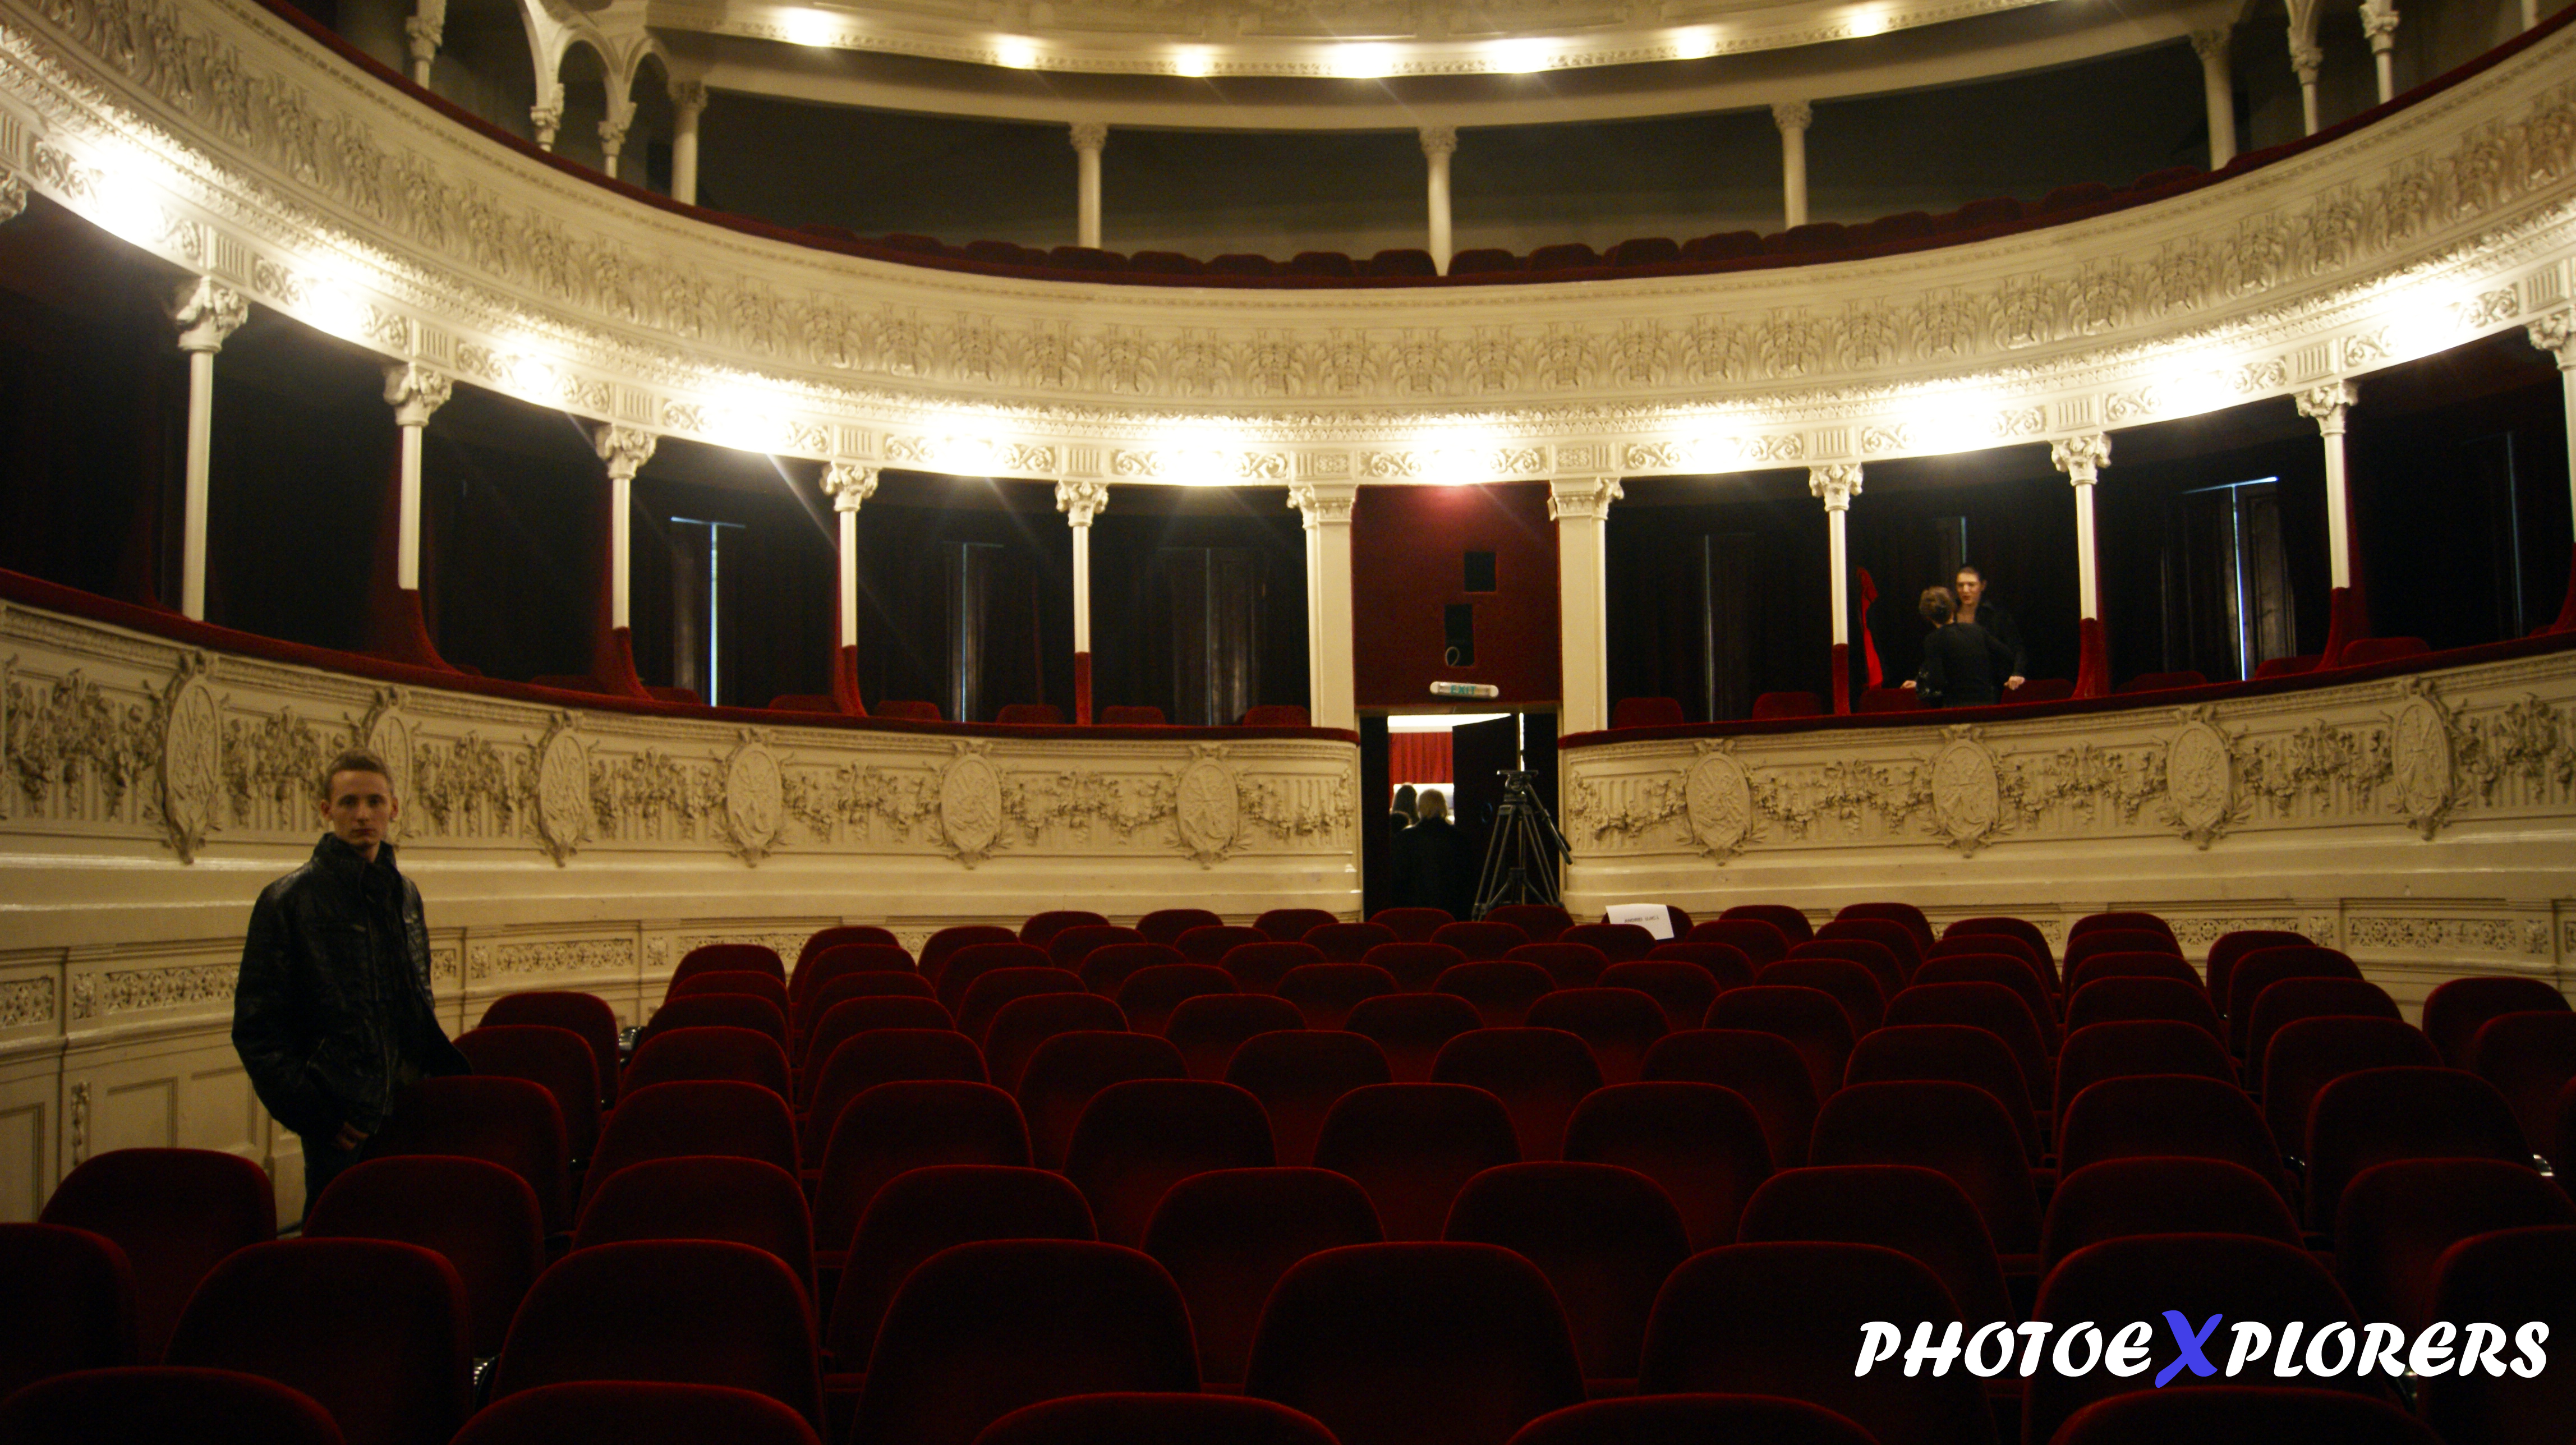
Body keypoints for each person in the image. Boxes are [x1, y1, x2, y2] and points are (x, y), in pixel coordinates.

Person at [234, 747, 468, 1217]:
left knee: (404, 1234)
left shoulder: (405, 894)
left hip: (406, 1107)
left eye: (375, 802)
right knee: (339, 1246)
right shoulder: (288, 900)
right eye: (348, 803)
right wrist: (314, 1113)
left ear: (394, 809)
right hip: (340, 1119)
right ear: (326, 811)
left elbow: (414, 999)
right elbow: (257, 1030)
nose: (363, 814)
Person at [1914, 586, 2020, 708]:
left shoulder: (1933, 640)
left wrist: (1921, 684)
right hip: (1987, 702)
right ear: (1952, 609)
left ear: (1928, 617)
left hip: (1955, 706)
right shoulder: (1975, 630)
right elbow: (2007, 654)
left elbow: (1938, 681)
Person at [1388, 786, 1477, 918]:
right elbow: (1468, 879)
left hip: (1414, 912)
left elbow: (1397, 878)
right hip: (1452, 911)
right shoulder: (1459, 838)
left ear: (1420, 808)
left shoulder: (1405, 838)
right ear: (1444, 807)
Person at [1952, 564, 2027, 692]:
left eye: (1971, 585)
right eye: (1961, 585)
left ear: (1982, 586)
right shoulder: (1951, 613)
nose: (1965, 590)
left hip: (1990, 684)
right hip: (1956, 685)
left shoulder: (1996, 615)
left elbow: (2018, 649)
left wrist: (2017, 673)